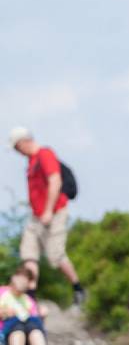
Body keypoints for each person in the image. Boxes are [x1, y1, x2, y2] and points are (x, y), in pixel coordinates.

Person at [9, 127, 85, 304]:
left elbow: (55, 180)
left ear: (23, 142)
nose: (17, 152)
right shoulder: (31, 162)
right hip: (36, 216)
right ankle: (31, 296)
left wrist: (48, 210)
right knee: (28, 252)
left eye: (16, 147)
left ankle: (77, 287)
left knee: (55, 256)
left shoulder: (45, 154)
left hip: (54, 212)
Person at [1, 265, 59, 345]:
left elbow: (35, 323)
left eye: (26, 279)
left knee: (32, 324)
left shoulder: (28, 300)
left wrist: (41, 316)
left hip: (25, 338)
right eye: (20, 277)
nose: (22, 281)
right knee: (18, 324)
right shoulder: (2, 292)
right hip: (5, 337)